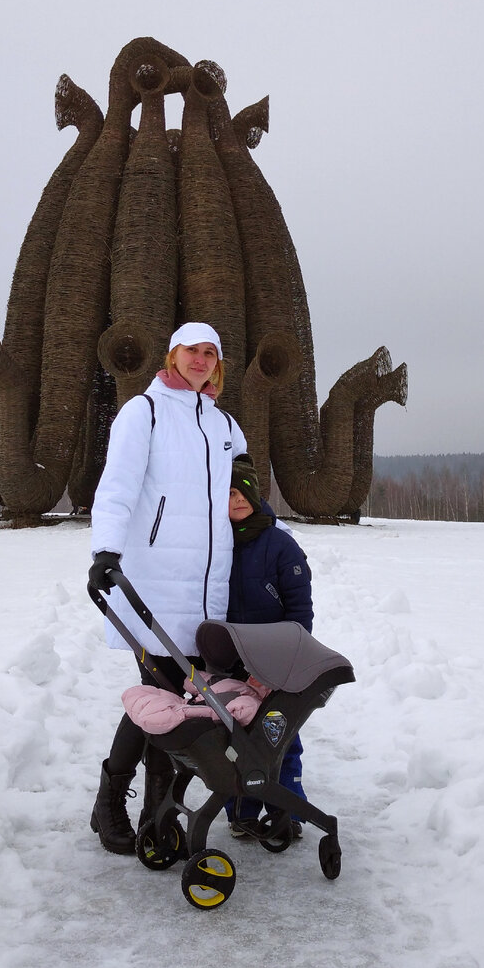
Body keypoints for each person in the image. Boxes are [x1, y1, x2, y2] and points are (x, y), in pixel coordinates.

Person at [87, 322, 247, 854]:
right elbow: (117, 488)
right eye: (192, 351)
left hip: (208, 595)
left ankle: (159, 812)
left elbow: (242, 497)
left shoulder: (224, 424)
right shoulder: (144, 412)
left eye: (210, 353)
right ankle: (111, 802)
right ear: (172, 354)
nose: (201, 360)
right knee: (159, 700)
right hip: (155, 586)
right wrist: (106, 552)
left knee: (182, 704)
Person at [225, 459, 313, 840]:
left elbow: (300, 610)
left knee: (280, 735)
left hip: (278, 661)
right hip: (230, 658)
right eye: (228, 493)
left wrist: (288, 658)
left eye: (243, 491)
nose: (238, 499)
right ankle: (242, 811)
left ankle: (287, 811)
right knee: (234, 738)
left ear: (256, 493)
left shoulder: (280, 544)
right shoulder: (214, 542)